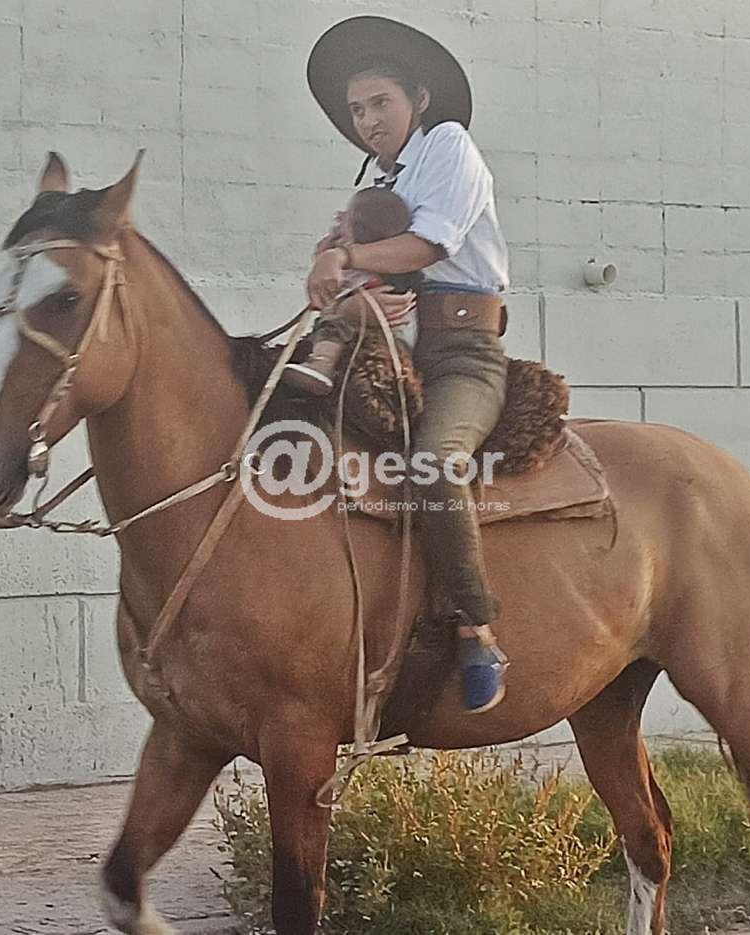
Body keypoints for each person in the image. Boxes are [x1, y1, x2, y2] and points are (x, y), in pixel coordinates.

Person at [304, 16, 511, 713]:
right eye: (357, 110)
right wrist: (334, 272)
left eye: (380, 103)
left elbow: (429, 246)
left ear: (418, 99)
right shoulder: (378, 179)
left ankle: (478, 629)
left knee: (434, 461)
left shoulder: (449, 146)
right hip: (393, 341)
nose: (367, 121)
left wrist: (346, 257)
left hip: (461, 351)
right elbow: (350, 256)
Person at [283, 186, 422, 395]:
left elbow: (328, 298)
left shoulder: (362, 269)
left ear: (359, 229)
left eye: (347, 216)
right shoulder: (395, 269)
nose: (339, 217)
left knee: (334, 320)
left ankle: (322, 363)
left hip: (384, 341)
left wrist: (326, 257)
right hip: (400, 338)